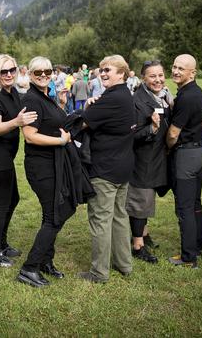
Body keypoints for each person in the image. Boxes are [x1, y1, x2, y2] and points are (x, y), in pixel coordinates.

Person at [78, 55, 135, 283]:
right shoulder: (125, 95)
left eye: (108, 70)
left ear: (121, 73)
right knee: (120, 216)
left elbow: (83, 121)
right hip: (123, 166)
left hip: (106, 168)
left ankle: (99, 272)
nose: (102, 74)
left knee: (101, 219)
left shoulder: (111, 98)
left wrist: (88, 104)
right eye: (101, 70)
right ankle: (124, 264)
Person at [0, 54, 37, 267]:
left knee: (13, 199)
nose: (9, 74)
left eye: (12, 69)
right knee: (1, 205)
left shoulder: (12, 94)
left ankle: (1, 244)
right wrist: (17, 121)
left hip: (4, 157)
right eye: (4, 71)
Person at [18, 57, 72, 287]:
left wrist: (60, 103)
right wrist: (60, 141)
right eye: (38, 72)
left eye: (47, 71)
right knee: (54, 216)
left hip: (52, 164)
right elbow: (30, 135)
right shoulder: (31, 99)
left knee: (52, 214)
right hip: (41, 167)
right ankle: (29, 268)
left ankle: (44, 262)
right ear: (30, 74)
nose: (43, 75)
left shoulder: (45, 97)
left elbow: (51, 121)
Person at [126, 60, 171, 265]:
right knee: (140, 201)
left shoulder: (164, 97)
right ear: (143, 78)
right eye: (153, 76)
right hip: (142, 160)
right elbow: (131, 135)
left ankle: (144, 234)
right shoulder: (137, 100)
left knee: (148, 199)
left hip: (157, 159)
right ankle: (137, 246)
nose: (158, 79)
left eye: (160, 75)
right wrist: (151, 130)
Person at [166, 54, 202, 268]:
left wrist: (165, 148)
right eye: (174, 67)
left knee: (184, 207)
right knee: (194, 203)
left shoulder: (187, 96)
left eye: (181, 68)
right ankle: (198, 245)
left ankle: (188, 256)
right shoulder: (196, 92)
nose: (175, 71)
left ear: (193, 72)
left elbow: (173, 134)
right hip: (200, 151)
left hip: (187, 155)